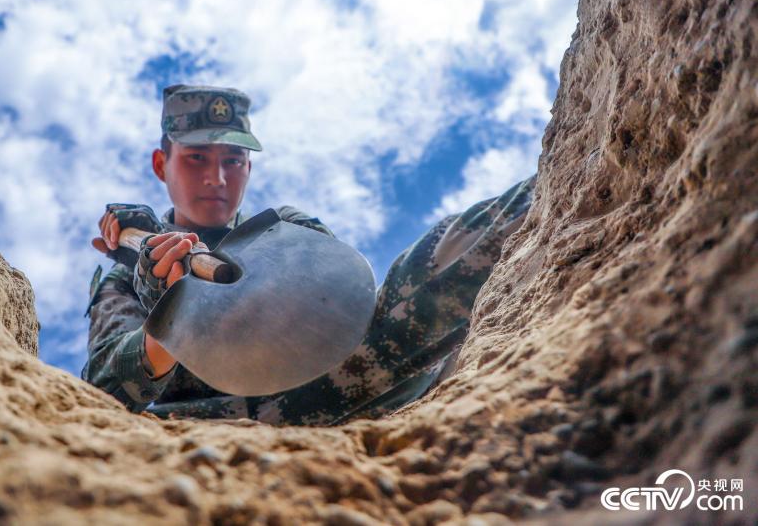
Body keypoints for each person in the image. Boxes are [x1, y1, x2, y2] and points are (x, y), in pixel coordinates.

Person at [81, 83, 536, 425]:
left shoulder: (282, 226)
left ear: (249, 167)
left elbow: (343, 303)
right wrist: (171, 317)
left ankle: (572, 178)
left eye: (233, 161)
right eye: (197, 158)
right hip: (226, 425)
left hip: (358, 376)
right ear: (163, 165)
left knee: (447, 249)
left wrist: (205, 282)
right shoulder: (125, 280)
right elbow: (100, 394)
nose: (217, 177)